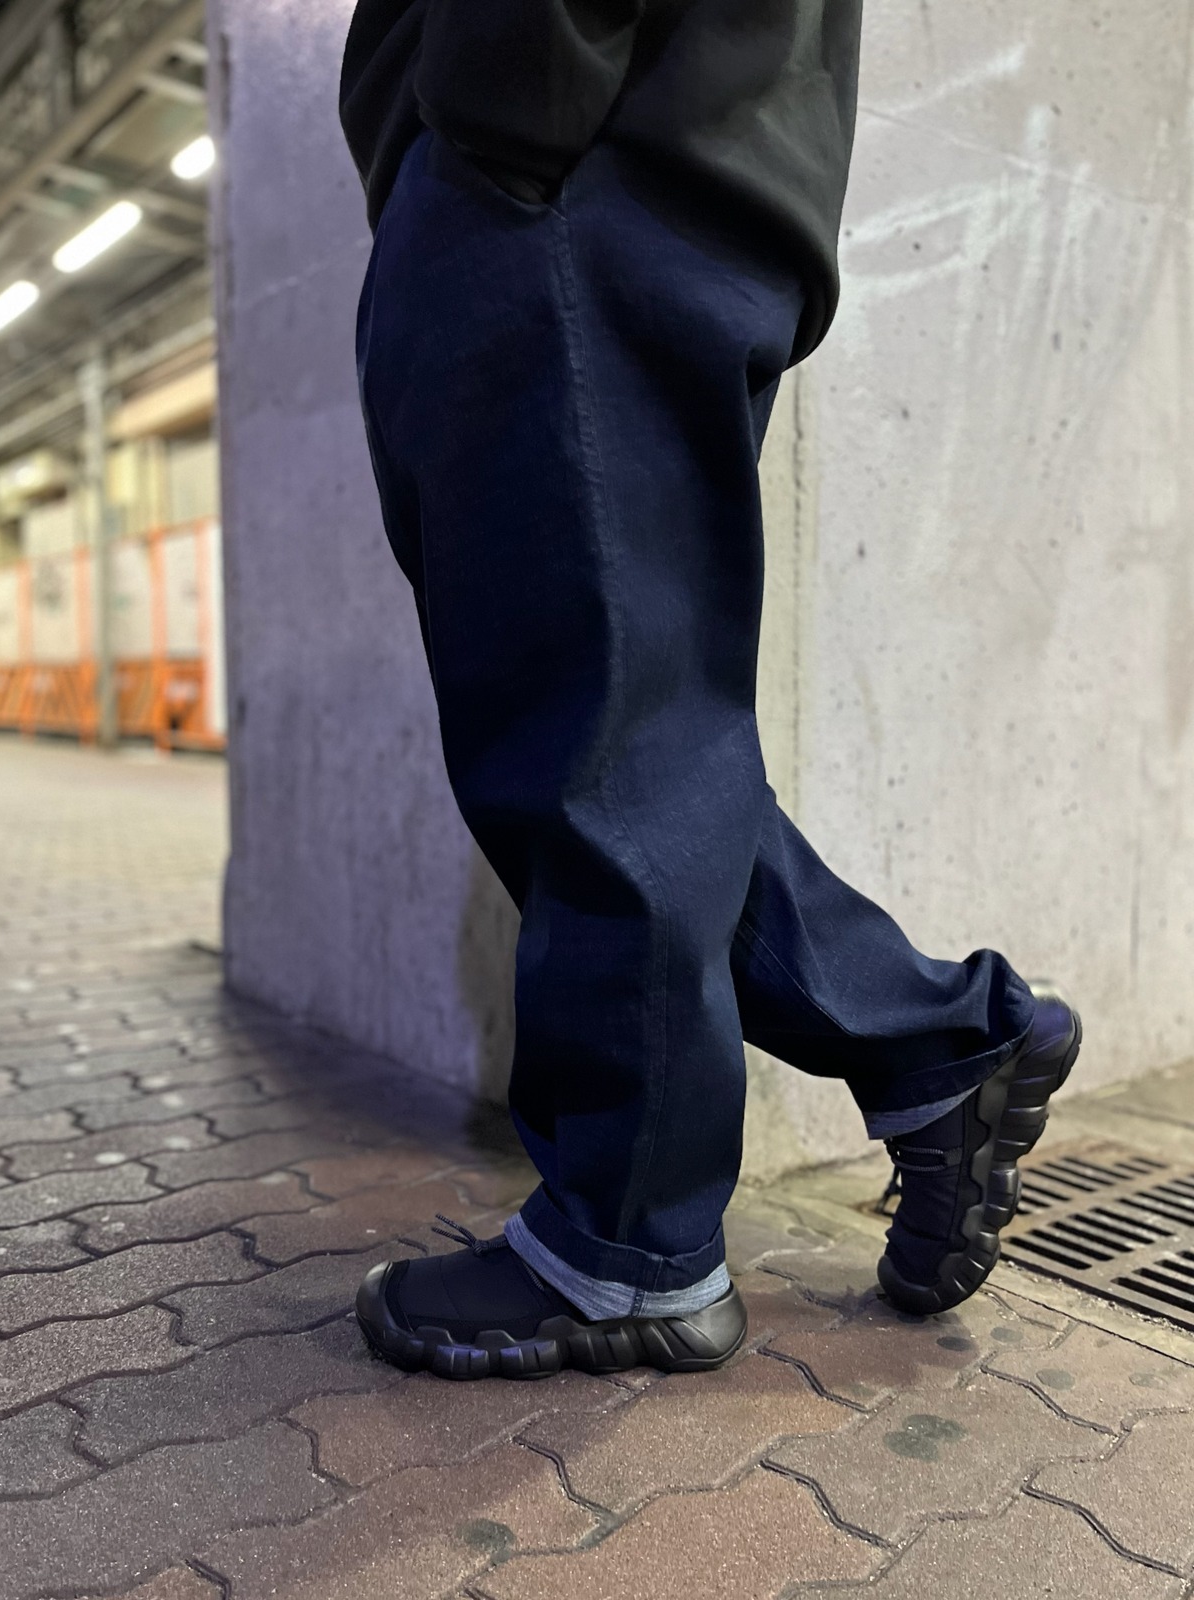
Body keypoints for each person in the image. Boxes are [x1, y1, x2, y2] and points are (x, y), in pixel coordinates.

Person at [339, 0, 1081, 1381]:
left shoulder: (542, 144)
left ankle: (627, 1245)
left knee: (593, 735)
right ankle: (936, 1046)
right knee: (629, 725)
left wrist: (508, 101)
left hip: (562, 170)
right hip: (627, 166)